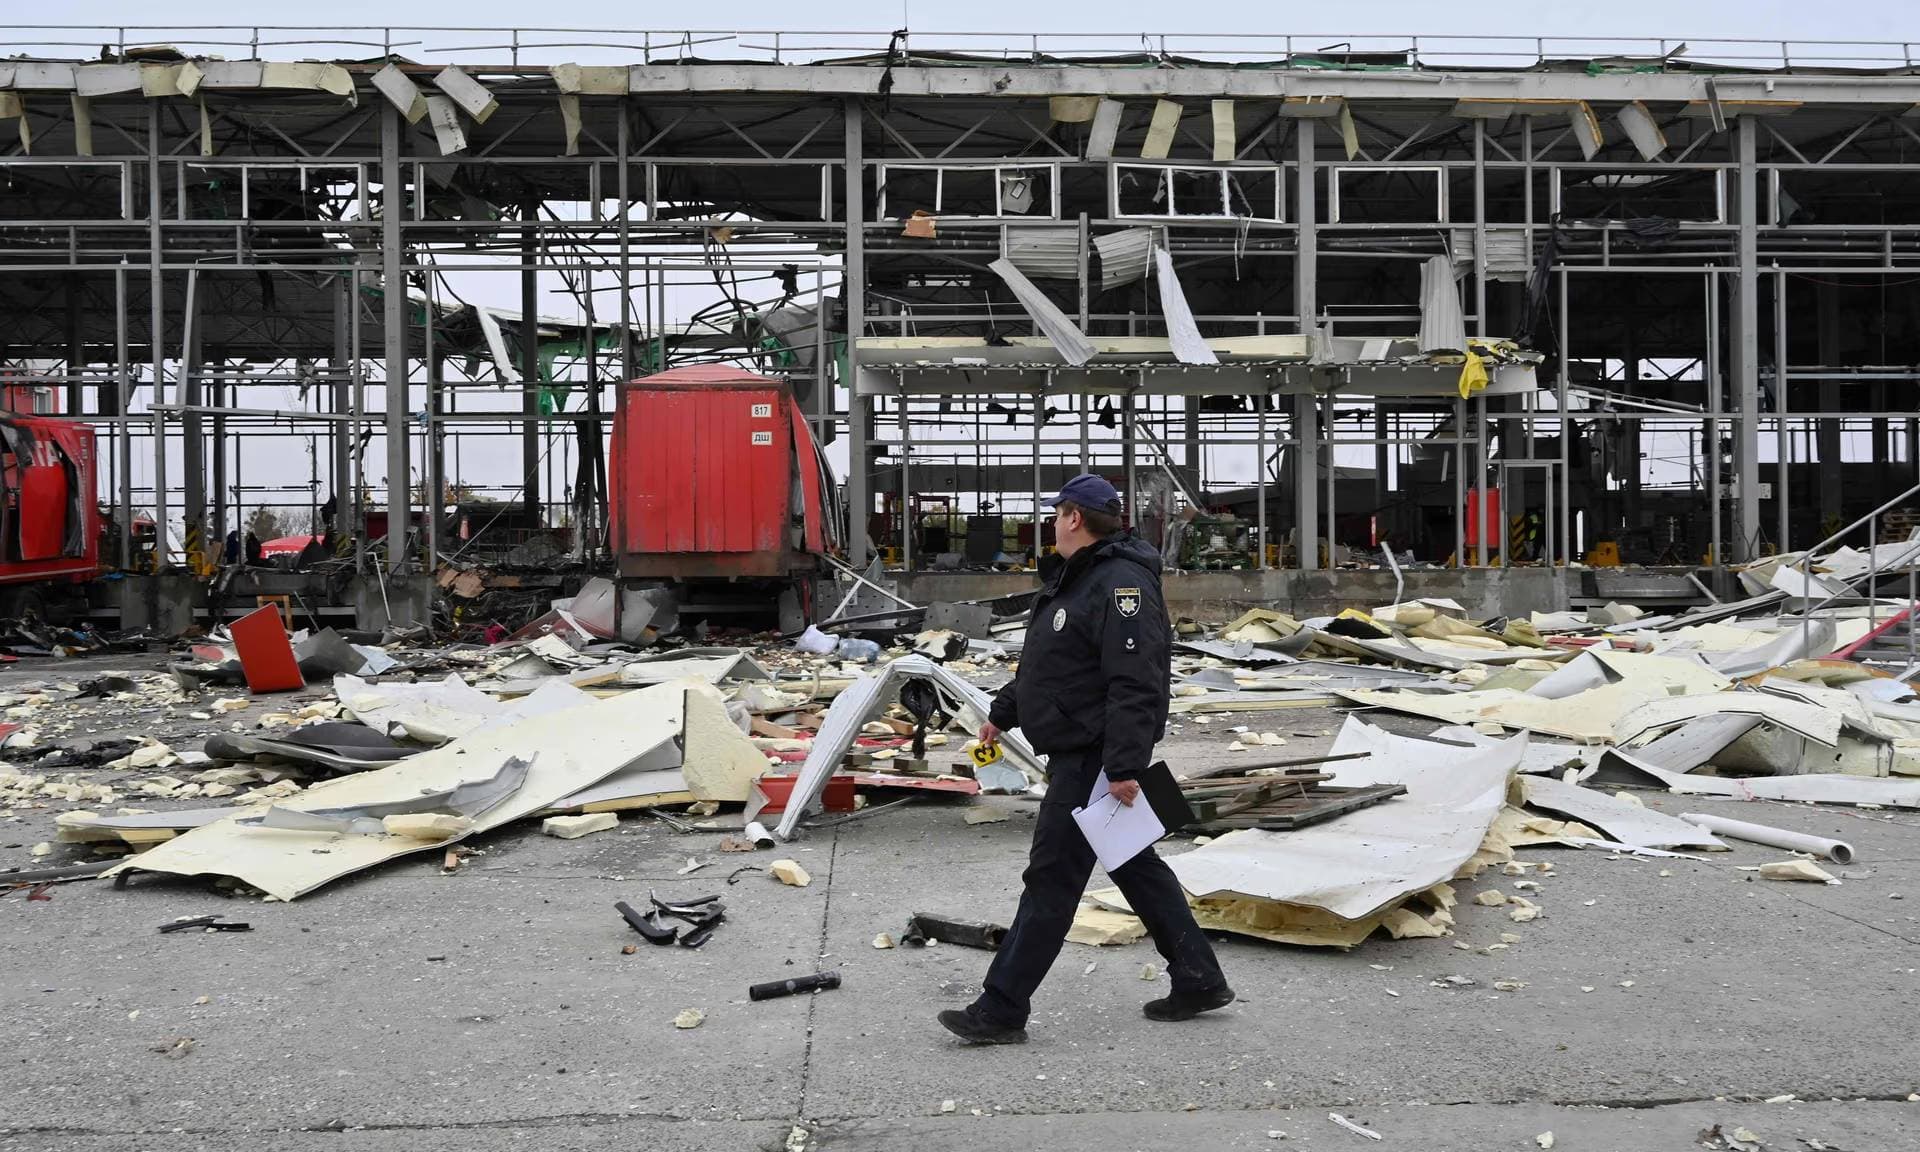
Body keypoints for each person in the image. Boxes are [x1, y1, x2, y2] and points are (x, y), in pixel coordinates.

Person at [938, 474, 1231, 1046]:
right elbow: (1054, 667)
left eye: (1056, 514)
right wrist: (1003, 711)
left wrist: (1124, 766)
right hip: (1087, 751)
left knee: (1051, 879)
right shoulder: (1077, 580)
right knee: (1137, 866)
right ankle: (1199, 977)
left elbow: (1136, 681)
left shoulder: (1120, 584)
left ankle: (1000, 1010)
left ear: (1074, 517)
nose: (1051, 522)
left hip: (1095, 759)